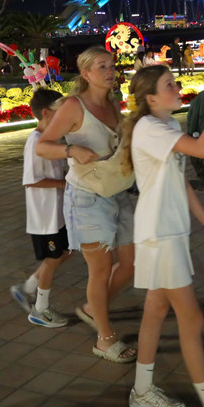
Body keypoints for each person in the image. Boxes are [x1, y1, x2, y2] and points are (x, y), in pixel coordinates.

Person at [122, 65, 204, 407]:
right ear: (151, 98)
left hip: (167, 230)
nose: (177, 88)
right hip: (160, 233)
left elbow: (180, 180)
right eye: (169, 85)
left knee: (156, 311)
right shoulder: (149, 127)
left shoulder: (168, 125)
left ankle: (142, 393)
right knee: (192, 318)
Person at [36, 46, 137, 363]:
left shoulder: (113, 101)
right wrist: (71, 152)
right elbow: (42, 145)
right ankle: (104, 340)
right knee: (101, 269)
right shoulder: (73, 106)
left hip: (117, 189)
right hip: (87, 196)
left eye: (112, 65)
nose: (110, 70)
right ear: (86, 73)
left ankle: (94, 308)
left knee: (132, 262)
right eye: (102, 66)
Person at [10, 89, 72, 327]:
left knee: (66, 252)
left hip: (56, 213)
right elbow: (31, 180)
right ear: (46, 113)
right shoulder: (36, 142)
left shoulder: (51, 139)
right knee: (53, 258)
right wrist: (65, 184)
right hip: (45, 216)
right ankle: (40, 308)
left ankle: (28, 287)